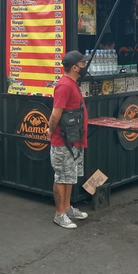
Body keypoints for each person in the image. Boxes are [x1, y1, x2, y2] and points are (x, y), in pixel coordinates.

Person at [46, 50, 90, 229]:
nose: (84, 66)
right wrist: (50, 130)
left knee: (69, 176)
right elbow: (56, 112)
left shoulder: (72, 83)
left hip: (74, 140)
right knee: (62, 176)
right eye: (82, 64)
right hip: (64, 141)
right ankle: (59, 213)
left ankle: (67, 208)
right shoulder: (64, 85)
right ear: (74, 67)